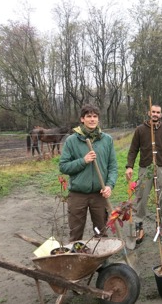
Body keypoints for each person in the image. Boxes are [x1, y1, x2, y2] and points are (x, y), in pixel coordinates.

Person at [59, 104, 118, 242]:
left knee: (100, 231)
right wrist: (83, 161)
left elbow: (113, 166)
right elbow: (63, 166)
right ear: (82, 119)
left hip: (99, 194)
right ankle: (76, 260)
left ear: (98, 119)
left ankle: (102, 260)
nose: (92, 119)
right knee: (76, 231)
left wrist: (109, 185)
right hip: (78, 195)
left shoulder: (106, 140)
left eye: (95, 116)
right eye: (89, 116)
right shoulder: (72, 141)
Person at [125, 104, 162, 243]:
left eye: (158, 112)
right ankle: (139, 226)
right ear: (148, 113)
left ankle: (161, 225)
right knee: (141, 198)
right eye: (153, 112)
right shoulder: (140, 130)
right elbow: (133, 150)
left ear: (161, 114)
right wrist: (129, 166)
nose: (155, 114)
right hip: (145, 168)